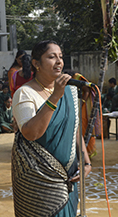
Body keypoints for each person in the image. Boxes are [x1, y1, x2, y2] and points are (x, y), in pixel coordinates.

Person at [12, 40, 91, 216]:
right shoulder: (25, 93)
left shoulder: (70, 91)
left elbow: (74, 130)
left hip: (68, 178)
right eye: (51, 57)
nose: (59, 62)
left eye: (61, 57)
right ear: (36, 64)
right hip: (39, 181)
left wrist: (86, 161)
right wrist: (55, 96)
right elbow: (31, 133)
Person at [63, 69, 99, 158]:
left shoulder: (77, 78)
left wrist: (81, 102)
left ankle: (87, 152)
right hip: (78, 103)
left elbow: (86, 90)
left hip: (84, 106)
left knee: (84, 125)